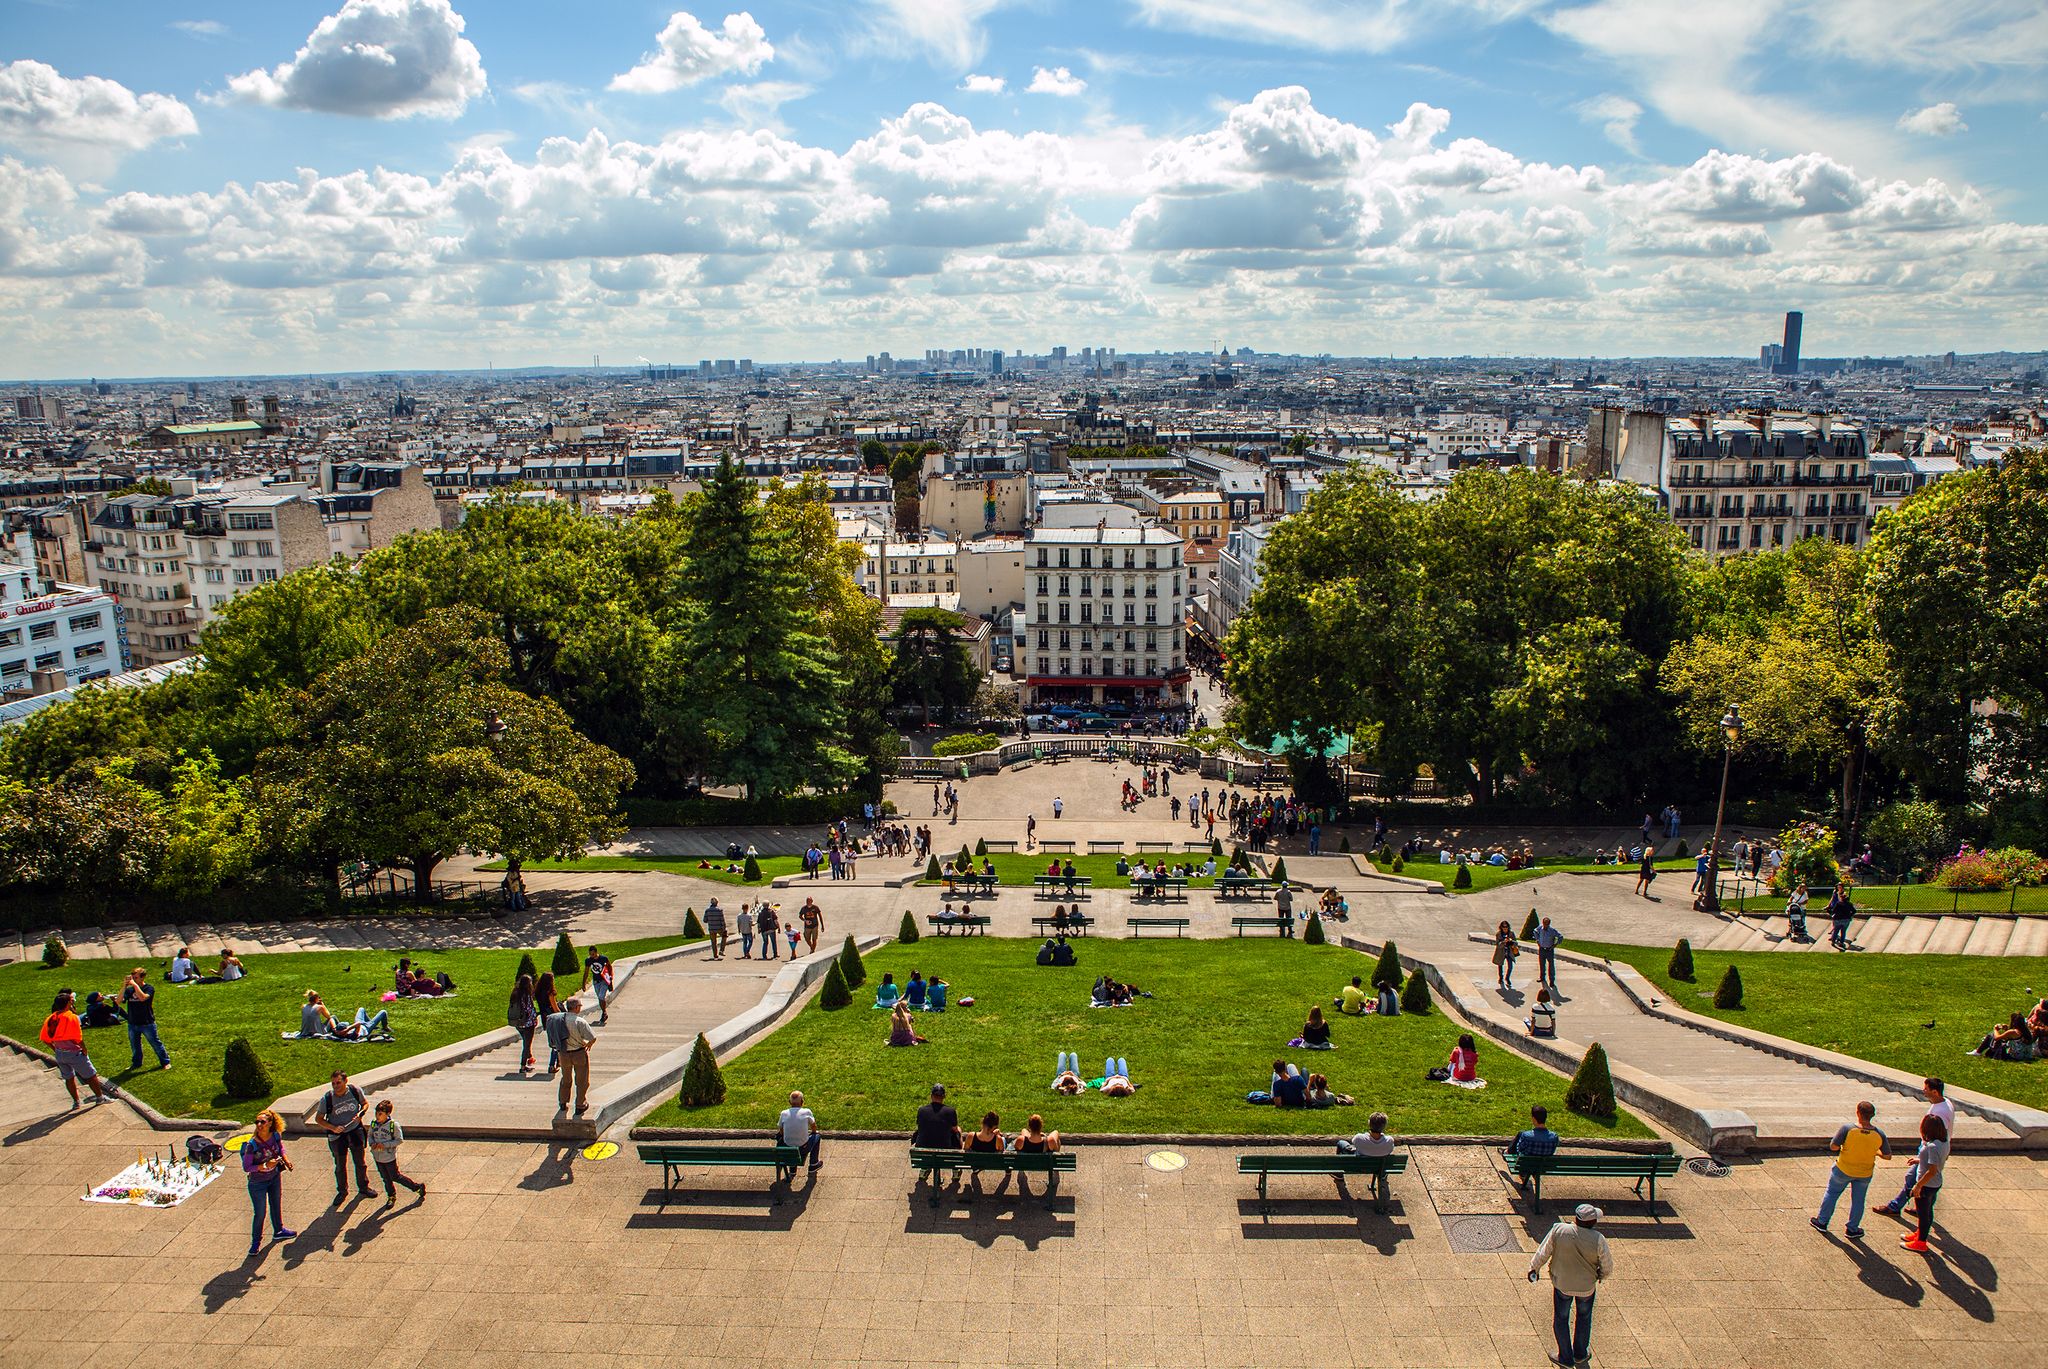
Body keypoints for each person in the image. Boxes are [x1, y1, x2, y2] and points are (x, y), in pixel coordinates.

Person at [1530, 1203, 1613, 1369]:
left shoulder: (1559, 1230)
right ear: (1592, 1223)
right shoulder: (1598, 1239)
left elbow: (1543, 1251)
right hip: (1586, 1287)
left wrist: (1534, 1268)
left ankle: (1565, 1357)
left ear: (1576, 1219)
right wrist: (1601, 1276)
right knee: (1584, 1317)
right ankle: (1580, 1354)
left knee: (1561, 1318)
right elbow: (1607, 1265)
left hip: (1562, 1283)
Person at [1875, 1078, 1953, 1218]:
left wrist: (1924, 1156)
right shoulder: (1945, 1103)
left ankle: (1895, 1206)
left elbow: (1939, 1135)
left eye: (1926, 1089)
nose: (1923, 1091)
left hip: (1928, 1149)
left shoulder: (1940, 1112)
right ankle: (1923, 1208)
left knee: (1912, 1178)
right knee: (1926, 1182)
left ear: (1934, 1092)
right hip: (1930, 1149)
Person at [1812, 1100, 1888, 1239]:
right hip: (1865, 1172)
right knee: (1858, 1200)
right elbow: (1887, 1156)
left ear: (1858, 1113)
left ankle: (1822, 1222)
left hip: (1843, 1169)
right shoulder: (1879, 1134)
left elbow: (1833, 1146)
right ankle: (1852, 1229)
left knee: (1832, 1193)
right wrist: (1875, 1152)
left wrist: (1843, 1147)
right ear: (1872, 1115)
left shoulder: (1847, 1128)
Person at [39, 990, 118, 1107]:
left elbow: (44, 1038)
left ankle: (76, 1102)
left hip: (60, 1054)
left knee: (68, 1078)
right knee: (91, 1076)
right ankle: (100, 1098)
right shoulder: (72, 1017)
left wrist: (55, 1049)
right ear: (67, 1004)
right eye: (71, 1001)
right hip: (74, 1053)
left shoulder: (51, 1018)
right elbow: (77, 1038)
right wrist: (84, 1049)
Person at [311, 1070, 378, 1205]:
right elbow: (318, 1119)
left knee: (360, 1162)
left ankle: (364, 1187)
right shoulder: (327, 1099)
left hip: (355, 1131)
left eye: (338, 1082)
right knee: (340, 1165)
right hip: (337, 1136)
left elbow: (365, 1103)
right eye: (333, 1083)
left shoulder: (354, 1090)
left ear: (346, 1081)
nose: (336, 1086)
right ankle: (342, 1191)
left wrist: (361, 1113)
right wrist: (333, 1128)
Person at [240, 1109, 297, 1257]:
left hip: (274, 1177)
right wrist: (264, 1166)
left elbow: (281, 1148)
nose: (259, 1125)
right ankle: (255, 1243)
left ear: (270, 1123)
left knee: (276, 1205)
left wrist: (286, 1160)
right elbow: (247, 1167)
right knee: (260, 1213)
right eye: (257, 1122)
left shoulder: (275, 1135)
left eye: (262, 1122)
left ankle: (278, 1231)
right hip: (257, 1183)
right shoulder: (252, 1145)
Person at [1898, 1114, 1949, 1252]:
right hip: (1936, 1183)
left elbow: (1932, 1170)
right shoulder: (1944, 1142)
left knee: (1923, 1214)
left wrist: (1918, 1185)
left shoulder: (1931, 1146)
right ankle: (1920, 1234)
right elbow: (1939, 1161)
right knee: (1927, 1211)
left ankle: (1921, 1242)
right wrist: (1920, 1160)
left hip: (1927, 1185)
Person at [367, 1099, 426, 1206]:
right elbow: (370, 1135)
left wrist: (385, 1145)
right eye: (376, 1113)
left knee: (395, 1176)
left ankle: (416, 1187)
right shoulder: (373, 1124)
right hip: (377, 1156)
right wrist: (372, 1144)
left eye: (380, 1114)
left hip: (389, 1157)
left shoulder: (393, 1125)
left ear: (388, 1114)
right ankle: (391, 1195)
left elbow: (399, 1140)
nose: (377, 1116)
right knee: (385, 1177)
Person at [549, 998, 596, 1114]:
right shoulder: (580, 1021)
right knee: (582, 1080)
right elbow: (592, 1037)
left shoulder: (559, 1020)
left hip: (564, 1054)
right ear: (576, 1007)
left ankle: (563, 1102)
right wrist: (588, 1044)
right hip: (578, 1053)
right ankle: (580, 1104)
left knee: (566, 1078)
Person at [120, 968, 170, 1071]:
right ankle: (136, 1063)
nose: (133, 980)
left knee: (155, 1043)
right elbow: (119, 1000)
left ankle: (165, 1061)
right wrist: (124, 986)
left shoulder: (149, 988)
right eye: (132, 978)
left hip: (147, 1022)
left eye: (136, 978)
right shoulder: (129, 990)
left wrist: (134, 985)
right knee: (135, 1045)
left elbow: (143, 998)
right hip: (132, 1023)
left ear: (142, 977)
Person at [1505, 1104, 1560, 1191]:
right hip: (1543, 1166)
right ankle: (1507, 1152)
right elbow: (1552, 1150)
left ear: (1534, 1118)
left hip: (1525, 1165)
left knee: (1520, 1135)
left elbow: (1519, 1149)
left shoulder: (1527, 1135)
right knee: (1521, 1134)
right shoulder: (1554, 1136)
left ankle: (1506, 1152)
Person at [778, 1090, 822, 1170]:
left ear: (789, 1102)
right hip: (803, 1147)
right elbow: (813, 1126)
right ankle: (813, 1164)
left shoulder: (783, 1113)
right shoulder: (807, 1112)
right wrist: (813, 1132)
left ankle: (792, 1169)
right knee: (817, 1136)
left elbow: (781, 1130)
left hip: (788, 1147)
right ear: (802, 1102)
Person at [507, 973, 540, 1074]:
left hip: (518, 1023)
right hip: (528, 1024)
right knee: (526, 1044)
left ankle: (529, 1058)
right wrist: (535, 1018)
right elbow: (529, 1010)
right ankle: (523, 1066)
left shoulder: (515, 993)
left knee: (526, 1043)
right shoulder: (526, 996)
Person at [914, 1084, 962, 1148]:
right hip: (945, 1147)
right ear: (944, 1096)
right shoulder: (950, 1111)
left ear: (931, 1096)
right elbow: (955, 1129)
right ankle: (961, 1148)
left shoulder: (922, 1110)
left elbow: (920, 1126)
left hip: (923, 1147)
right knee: (958, 1129)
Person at [535, 972, 561, 1076]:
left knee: (553, 1041)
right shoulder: (550, 992)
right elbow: (555, 1008)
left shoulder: (538, 992)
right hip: (554, 1019)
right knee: (556, 1043)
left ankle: (558, 1062)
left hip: (545, 1019)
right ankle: (552, 1065)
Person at [585, 948, 614, 1026]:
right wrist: (583, 983)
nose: (591, 956)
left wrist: (610, 976)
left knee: (601, 997)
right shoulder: (588, 960)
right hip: (596, 982)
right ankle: (604, 1012)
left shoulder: (603, 958)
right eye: (590, 954)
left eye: (593, 954)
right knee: (600, 998)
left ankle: (604, 1013)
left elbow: (609, 967)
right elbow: (586, 972)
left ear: (596, 952)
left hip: (604, 980)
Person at [1534, 917, 1562, 988]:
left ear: (1549, 924)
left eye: (1547, 924)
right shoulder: (1540, 928)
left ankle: (1552, 980)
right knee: (1542, 964)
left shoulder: (1552, 930)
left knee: (1551, 966)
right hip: (1542, 949)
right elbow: (1535, 931)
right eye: (1544, 923)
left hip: (1549, 950)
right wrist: (1537, 940)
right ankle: (1542, 977)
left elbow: (1560, 936)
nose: (1546, 925)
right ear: (1543, 923)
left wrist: (1555, 945)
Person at [1492, 921, 1520, 990]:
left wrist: (1511, 941)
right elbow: (1497, 944)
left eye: (1506, 927)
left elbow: (1516, 943)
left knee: (1510, 966)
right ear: (1501, 927)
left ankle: (1507, 978)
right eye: (1503, 927)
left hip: (1509, 952)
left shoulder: (1511, 933)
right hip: (1501, 952)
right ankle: (1500, 978)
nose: (1505, 928)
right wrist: (1503, 942)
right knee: (1500, 965)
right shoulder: (1498, 934)